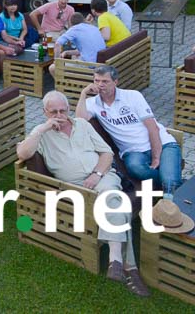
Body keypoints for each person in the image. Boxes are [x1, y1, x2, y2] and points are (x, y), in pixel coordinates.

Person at [19, 91, 149, 297]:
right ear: (44, 112)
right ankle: (127, 268)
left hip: (102, 176)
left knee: (110, 196)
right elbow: (23, 153)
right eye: (54, 112)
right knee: (117, 202)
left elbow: (107, 153)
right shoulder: (41, 134)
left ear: (69, 109)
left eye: (63, 110)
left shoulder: (82, 125)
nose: (59, 115)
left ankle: (116, 260)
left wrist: (97, 174)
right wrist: (43, 128)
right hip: (75, 187)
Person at [76, 65, 181, 195]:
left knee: (170, 182)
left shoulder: (133, 96)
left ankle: (170, 187)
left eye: (105, 81)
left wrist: (156, 157)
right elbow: (80, 120)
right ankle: (172, 183)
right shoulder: (92, 103)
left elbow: (152, 127)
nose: (100, 85)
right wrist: (83, 94)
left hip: (163, 144)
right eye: (96, 81)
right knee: (138, 170)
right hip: (133, 151)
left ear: (115, 82)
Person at [48, 12, 106, 78]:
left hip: (90, 66)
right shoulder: (93, 27)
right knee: (74, 56)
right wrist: (67, 52)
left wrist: (56, 61)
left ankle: (64, 84)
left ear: (71, 23)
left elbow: (57, 44)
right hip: (100, 63)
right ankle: (71, 80)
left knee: (52, 68)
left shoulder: (74, 29)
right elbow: (87, 49)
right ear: (83, 20)